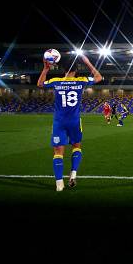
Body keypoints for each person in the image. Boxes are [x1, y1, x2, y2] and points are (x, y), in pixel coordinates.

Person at [37, 54, 102, 191]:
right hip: (74, 121)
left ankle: (59, 184)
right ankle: (73, 174)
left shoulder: (56, 81)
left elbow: (40, 84)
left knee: (58, 152)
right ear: (76, 70)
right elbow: (98, 78)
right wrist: (88, 62)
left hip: (59, 122)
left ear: (62, 70)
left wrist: (45, 69)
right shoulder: (81, 81)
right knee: (76, 147)